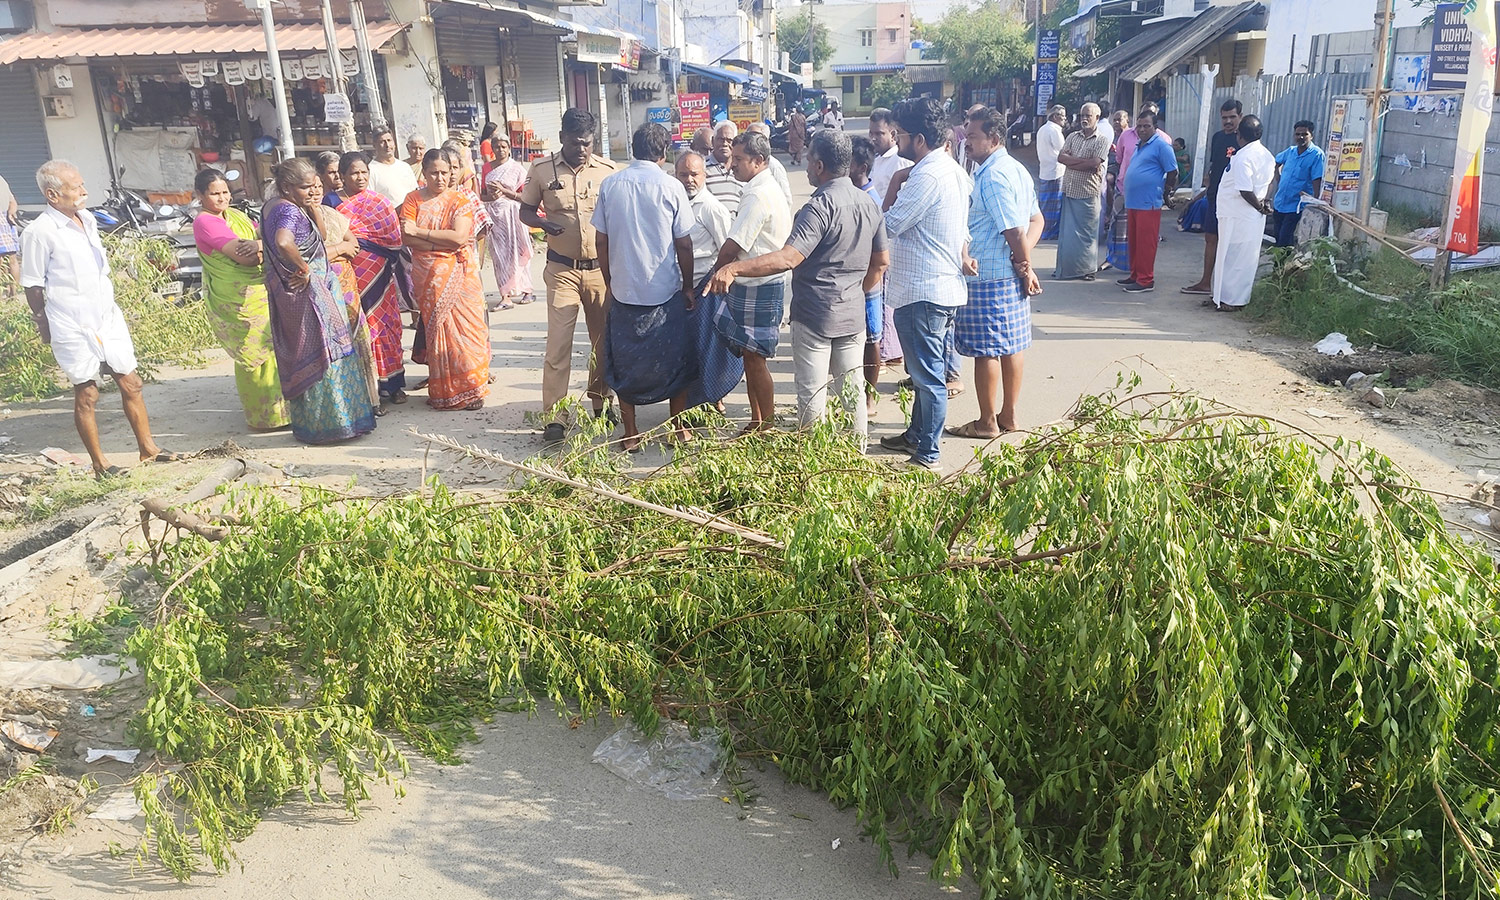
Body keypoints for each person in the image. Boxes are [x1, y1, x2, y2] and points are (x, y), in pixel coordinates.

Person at [709, 130, 888, 449]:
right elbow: (881, 262)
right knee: (852, 394)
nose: (804, 166)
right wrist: (854, 292)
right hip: (852, 314)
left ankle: (812, 460)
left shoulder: (819, 207)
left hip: (815, 315)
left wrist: (733, 268)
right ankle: (856, 455)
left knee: (812, 395)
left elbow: (789, 258)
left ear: (819, 166)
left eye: (808, 160)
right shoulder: (868, 203)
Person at [21, 160, 188, 476]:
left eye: (82, 184)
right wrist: (43, 323)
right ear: (53, 194)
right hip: (70, 322)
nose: (84, 191)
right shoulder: (39, 232)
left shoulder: (87, 219)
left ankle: (148, 449)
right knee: (87, 393)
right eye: (76, 187)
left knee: (132, 382)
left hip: (106, 316)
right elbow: (32, 284)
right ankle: (100, 465)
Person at [875, 99, 972, 472]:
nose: (896, 141)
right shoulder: (949, 169)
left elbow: (890, 224)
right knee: (923, 373)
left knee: (929, 377)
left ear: (918, 139)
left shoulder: (927, 175)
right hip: (936, 287)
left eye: (899, 134)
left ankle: (928, 453)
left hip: (925, 291)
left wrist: (893, 186)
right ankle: (916, 435)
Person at [592, 123, 698, 451]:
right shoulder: (671, 187)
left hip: (625, 292)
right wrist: (688, 286)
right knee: (676, 361)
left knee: (625, 362)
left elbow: (600, 241)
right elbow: (684, 244)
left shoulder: (611, 185)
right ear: (663, 153)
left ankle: (631, 433)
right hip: (664, 292)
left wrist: (610, 280)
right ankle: (677, 428)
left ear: (633, 149)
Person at [260, 158, 378, 445]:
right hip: (312, 294)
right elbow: (284, 242)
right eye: (305, 187)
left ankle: (311, 425)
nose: (312, 191)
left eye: (314, 185)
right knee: (327, 352)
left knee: (305, 351)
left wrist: (312, 208)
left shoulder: (273, 206)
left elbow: (320, 237)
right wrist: (304, 269)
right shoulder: (288, 211)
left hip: (293, 295)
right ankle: (337, 423)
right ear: (286, 187)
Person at [521, 108, 618, 443]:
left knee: (602, 343)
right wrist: (541, 223)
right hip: (562, 270)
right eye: (575, 143)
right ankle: (555, 418)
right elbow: (525, 211)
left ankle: (602, 403)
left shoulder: (608, 171)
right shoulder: (541, 170)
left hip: (599, 271)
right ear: (562, 137)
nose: (581, 149)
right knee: (559, 345)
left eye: (587, 143)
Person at [949, 108, 1042, 440]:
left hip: (989, 276)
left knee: (985, 351)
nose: (967, 142)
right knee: (1011, 346)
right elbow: (1036, 221)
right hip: (1007, 274)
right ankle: (1008, 415)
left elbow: (1015, 231)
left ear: (994, 139)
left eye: (973, 137)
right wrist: (1023, 263)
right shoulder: (1016, 169)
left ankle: (987, 421)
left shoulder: (992, 176)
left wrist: (1024, 264)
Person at [192, 168, 290, 431]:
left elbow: (263, 239)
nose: (222, 198)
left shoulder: (234, 215)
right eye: (215, 194)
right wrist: (264, 249)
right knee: (253, 352)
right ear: (200, 195)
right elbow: (245, 258)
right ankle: (265, 417)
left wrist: (259, 246)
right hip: (238, 297)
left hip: (260, 288)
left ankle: (283, 412)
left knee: (273, 348)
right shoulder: (206, 222)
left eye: (225, 192)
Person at [710, 130, 793, 434]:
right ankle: (757, 420)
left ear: (758, 161)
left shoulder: (758, 194)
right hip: (756, 282)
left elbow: (734, 244)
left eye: (739, 159)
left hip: (759, 285)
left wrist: (716, 271)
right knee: (749, 355)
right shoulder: (763, 186)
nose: (732, 164)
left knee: (756, 359)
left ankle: (766, 426)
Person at [400, 149, 491, 411]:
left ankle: (472, 388)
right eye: (433, 173)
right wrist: (439, 243)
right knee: (439, 330)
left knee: (467, 329)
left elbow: (460, 237)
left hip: (461, 273)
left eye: (444, 172)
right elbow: (406, 237)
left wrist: (421, 232)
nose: (439, 178)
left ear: (452, 172)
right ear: (424, 173)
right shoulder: (413, 199)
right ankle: (444, 390)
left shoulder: (460, 200)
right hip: (428, 276)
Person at [337, 150, 415, 404]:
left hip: (382, 275)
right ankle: (369, 389)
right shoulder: (332, 203)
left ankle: (394, 384)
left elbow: (394, 239)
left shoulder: (380, 203)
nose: (360, 177)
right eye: (354, 173)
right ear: (342, 176)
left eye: (364, 172)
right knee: (361, 328)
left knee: (386, 326)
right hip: (350, 278)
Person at [674, 150, 740, 410]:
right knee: (686, 349)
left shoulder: (711, 208)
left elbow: (728, 250)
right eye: (683, 174)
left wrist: (716, 284)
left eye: (694, 174)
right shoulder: (674, 202)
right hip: (678, 287)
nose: (689, 180)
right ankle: (690, 404)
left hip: (705, 286)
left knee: (709, 348)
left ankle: (715, 399)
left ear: (704, 175)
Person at [1211, 115, 1276, 312]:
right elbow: (1271, 183)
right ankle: (1222, 296)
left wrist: (1260, 207)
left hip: (1239, 214)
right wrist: (1265, 202)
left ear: (1239, 135)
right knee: (1237, 257)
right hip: (1246, 215)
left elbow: (1245, 190)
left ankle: (1233, 300)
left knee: (1236, 258)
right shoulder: (1266, 155)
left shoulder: (1244, 157)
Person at [1182, 99, 1243, 295]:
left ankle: (1227, 287)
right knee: (1210, 238)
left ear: (1240, 116)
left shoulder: (1243, 141)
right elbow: (1214, 167)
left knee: (1230, 242)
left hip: (1234, 199)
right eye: (1224, 117)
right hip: (1214, 197)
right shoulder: (1217, 137)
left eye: (1232, 117)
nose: (1228, 121)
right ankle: (1206, 282)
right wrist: (1204, 192)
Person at [1119, 111, 1178, 294]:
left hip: (1149, 202)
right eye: (1139, 126)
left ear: (1155, 127)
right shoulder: (1140, 145)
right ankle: (1135, 275)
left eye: (1147, 126)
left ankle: (1146, 280)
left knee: (1146, 243)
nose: (1142, 129)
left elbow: (1173, 171)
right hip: (1133, 201)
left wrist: (1166, 191)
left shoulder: (1161, 146)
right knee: (1134, 242)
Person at [850, 136, 889, 406]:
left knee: (871, 338)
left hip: (868, 280)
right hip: (855, 279)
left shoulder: (870, 200)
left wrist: (865, 286)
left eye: (849, 163)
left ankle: (869, 397)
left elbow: (881, 257)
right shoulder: (855, 195)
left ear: (862, 167)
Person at [1053, 103, 1110, 281]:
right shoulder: (1072, 136)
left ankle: (1087, 270)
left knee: (1087, 235)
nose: (1084, 119)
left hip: (1088, 192)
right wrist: (1083, 163)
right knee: (1068, 234)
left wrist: (1072, 161)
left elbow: (1095, 163)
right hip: (1070, 191)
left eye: (1088, 116)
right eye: (1082, 115)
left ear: (1097, 118)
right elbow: (1061, 157)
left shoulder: (1102, 140)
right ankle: (1067, 269)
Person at [480, 133, 536, 308]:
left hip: (513, 216)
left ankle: (527, 290)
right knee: (499, 255)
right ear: (492, 149)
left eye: (504, 147)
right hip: (495, 216)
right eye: (497, 147)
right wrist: (491, 196)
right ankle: (505, 296)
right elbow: (482, 195)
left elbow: (526, 196)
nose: (500, 150)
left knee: (518, 252)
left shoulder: (517, 169)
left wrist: (505, 192)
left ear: (509, 149)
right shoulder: (486, 168)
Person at [1269, 120, 1325, 248]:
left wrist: (1316, 201)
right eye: (1297, 134)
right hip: (1280, 202)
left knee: (1284, 240)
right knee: (1278, 237)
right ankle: (1283, 260)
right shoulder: (1291, 151)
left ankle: (1283, 261)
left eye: (1304, 134)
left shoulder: (1316, 154)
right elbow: (1276, 162)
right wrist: (1279, 178)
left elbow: (1317, 179)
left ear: (1311, 136)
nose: (1300, 137)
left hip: (1296, 205)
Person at [868, 108, 914, 204]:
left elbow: (901, 200)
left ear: (893, 135)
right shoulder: (874, 157)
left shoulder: (900, 161)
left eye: (879, 134)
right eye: (871, 133)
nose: (873, 138)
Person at [1036, 105, 1066, 241]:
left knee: (1045, 204)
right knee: (1054, 206)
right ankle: (1050, 233)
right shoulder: (1054, 131)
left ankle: (1044, 232)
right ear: (1055, 117)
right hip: (1056, 171)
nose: (1064, 119)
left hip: (1045, 170)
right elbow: (1064, 150)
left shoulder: (1042, 129)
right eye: (1062, 116)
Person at [367, 127, 419, 207]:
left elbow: (415, 192)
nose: (387, 145)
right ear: (375, 145)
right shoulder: (371, 170)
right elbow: (370, 200)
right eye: (382, 142)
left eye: (389, 140)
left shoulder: (405, 166)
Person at [705, 121, 743, 215]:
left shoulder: (742, 168)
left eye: (729, 140)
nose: (725, 144)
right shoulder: (702, 168)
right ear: (713, 141)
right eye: (720, 139)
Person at [745, 121, 792, 196]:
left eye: (755, 137)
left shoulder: (774, 166)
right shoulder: (742, 162)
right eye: (748, 136)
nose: (750, 140)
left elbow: (785, 196)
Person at [0, 173, 20, 299]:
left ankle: (5, 294)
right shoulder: (1, 179)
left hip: (3, 219)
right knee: (11, 259)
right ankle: (13, 294)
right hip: (6, 220)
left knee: (4, 261)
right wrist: (11, 214)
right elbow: (13, 201)